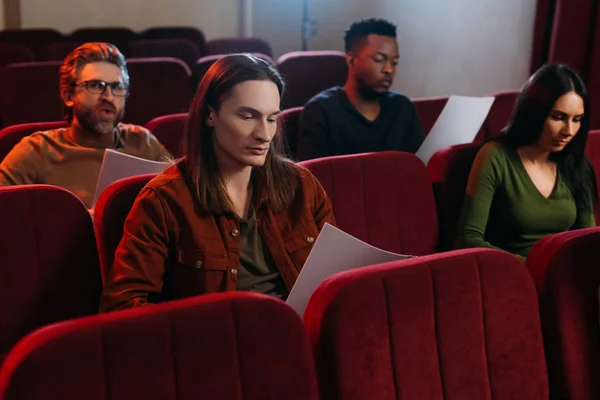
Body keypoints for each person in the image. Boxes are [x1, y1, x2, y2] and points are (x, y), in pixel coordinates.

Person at [100, 54, 335, 311]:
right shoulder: (164, 200)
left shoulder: (303, 186)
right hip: (216, 343)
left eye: (270, 119)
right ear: (210, 115)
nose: (264, 135)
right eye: (247, 117)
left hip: (298, 336)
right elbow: (122, 306)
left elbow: (333, 284)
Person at [0, 42, 171, 209]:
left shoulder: (142, 141)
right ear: (68, 96)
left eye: (117, 87)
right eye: (96, 86)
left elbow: (181, 199)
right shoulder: (36, 151)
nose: (109, 97)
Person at [456, 63, 597, 260]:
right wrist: (538, 268)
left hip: (561, 281)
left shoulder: (577, 164)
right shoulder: (495, 156)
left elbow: (586, 240)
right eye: (558, 117)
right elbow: (468, 239)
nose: (569, 131)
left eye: (577, 119)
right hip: (510, 276)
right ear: (535, 113)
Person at [297, 18, 424, 161]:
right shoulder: (321, 111)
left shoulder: (402, 108)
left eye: (394, 62)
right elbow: (312, 179)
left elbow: (418, 169)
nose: (389, 69)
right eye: (379, 59)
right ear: (352, 60)